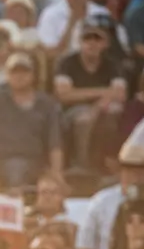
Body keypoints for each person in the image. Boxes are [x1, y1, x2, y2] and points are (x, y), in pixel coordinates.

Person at [0, 50, 63, 190]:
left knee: (17, 168)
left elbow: (55, 143)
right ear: (7, 75)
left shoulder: (46, 104)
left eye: (24, 71)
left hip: (32, 162)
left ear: (32, 75)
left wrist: (56, 173)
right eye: (14, 72)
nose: (19, 76)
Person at [53, 15, 129, 174]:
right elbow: (64, 95)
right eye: (87, 38)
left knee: (114, 110)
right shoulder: (67, 62)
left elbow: (120, 95)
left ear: (105, 43)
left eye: (97, 39)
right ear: (80, 41)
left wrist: (97, 105)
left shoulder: (113, 64)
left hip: (103, 107)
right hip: (71, 112)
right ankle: (82, 165)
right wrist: (102, 92)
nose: (92, 43)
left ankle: (108, 162)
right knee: (85, 118)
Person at [76, 139, 144, 249]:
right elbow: (84, 245)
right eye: (130, 171)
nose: (136, 177)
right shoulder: (101, 202)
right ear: (121, 173)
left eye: (141, 172)